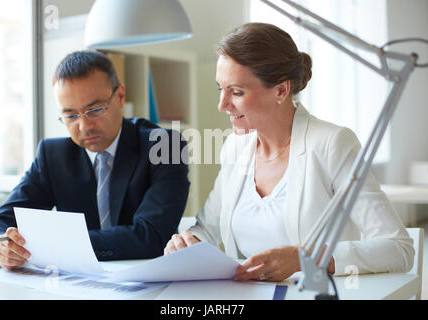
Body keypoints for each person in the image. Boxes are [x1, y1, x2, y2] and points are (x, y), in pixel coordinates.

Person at [164, 22, 414, 282]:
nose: (222, 105)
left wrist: (305, 257)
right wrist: (185, 243)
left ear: (281, 90)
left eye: (236, 92)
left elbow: (399, 248)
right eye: (221, 89)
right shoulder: (235, 149)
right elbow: (207, 231)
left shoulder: (332, 144)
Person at [0, 50, 190, 269]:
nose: (84, 126)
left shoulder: (165, 146)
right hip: (78, 285)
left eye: (95, 109)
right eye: (70, 115)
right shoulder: (53, 156)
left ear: (119, 96)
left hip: (150, 283)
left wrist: (54, 245)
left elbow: (152, 237)